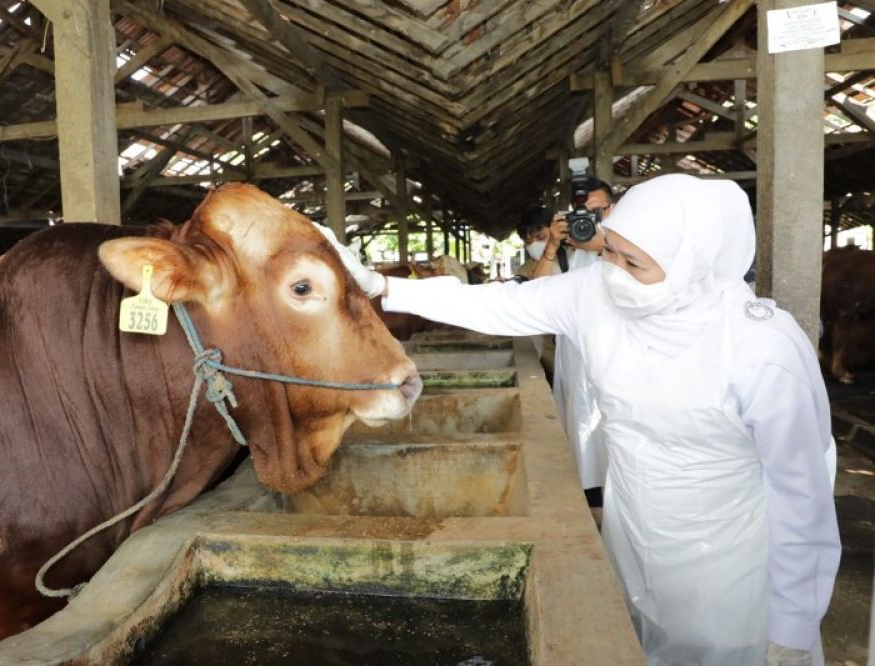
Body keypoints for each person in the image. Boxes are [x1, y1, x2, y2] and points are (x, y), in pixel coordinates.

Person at [321, 174, 841, 665]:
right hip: (633, 519)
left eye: (633, 262)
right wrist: (384, 288)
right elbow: (499, 302)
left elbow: (802, 495)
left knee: (726, 650)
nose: (615, 269)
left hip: (731, 548)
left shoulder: (762, 349)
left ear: (695, 263)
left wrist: (793, 624)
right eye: (610, 249)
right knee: (639, 637)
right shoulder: (595, 295)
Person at [533, 177, 614, 507]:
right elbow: (535, 298)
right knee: (583, 436)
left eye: (599, 212)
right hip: (577, 361)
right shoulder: (564, 259)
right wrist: (552, 246)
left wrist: (604, 246)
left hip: (620, 360)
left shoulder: (631, 248)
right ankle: (590, 500)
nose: (590, 222)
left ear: (614, 209)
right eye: (584, 215)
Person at [511, 206, 553, 282]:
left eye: (541, 237)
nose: (535, 245)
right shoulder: (525, 270)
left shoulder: (574, 251)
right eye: (528, 242)